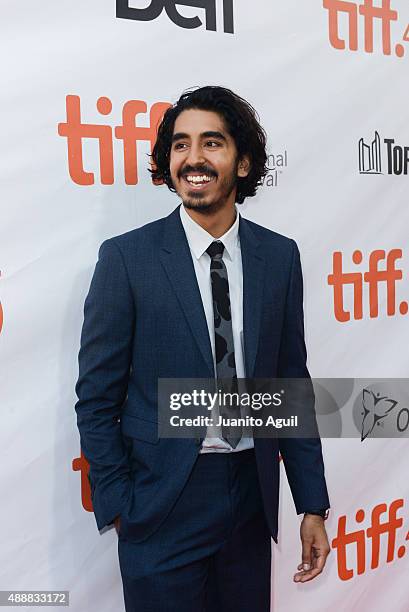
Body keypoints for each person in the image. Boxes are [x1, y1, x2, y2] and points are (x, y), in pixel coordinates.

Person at [75, 85, 331, 612]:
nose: (193, 158)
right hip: (162, 504)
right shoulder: (127, 259)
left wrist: (311, 504)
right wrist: (124, 503)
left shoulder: (278, 258)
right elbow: (96, 400)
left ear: (243, 163)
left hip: (248, 500)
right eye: (180, 145)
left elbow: (289, 387)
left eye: (212, 143)